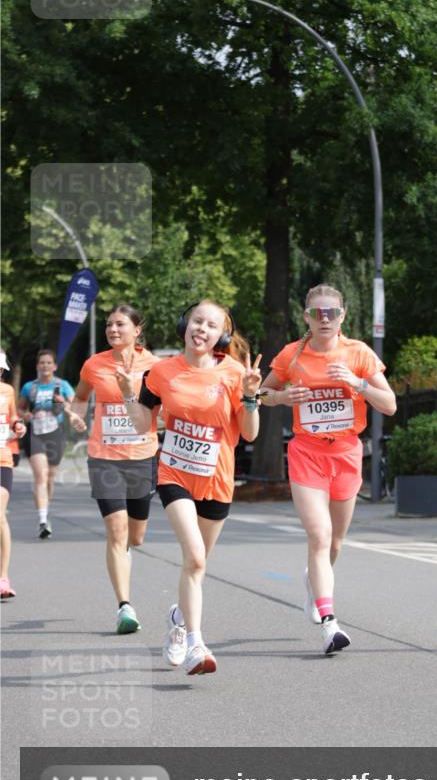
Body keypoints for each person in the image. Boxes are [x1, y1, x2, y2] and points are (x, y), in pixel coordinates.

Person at [117, 300, 261, 676]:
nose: (202, 328)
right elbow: (140, 425)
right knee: (194, 557)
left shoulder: (233, 373)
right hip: (174, 474)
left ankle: (178, 620)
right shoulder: (162, 372)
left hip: (217, 479)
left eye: (211, 325)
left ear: (221, 336)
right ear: (185, 325)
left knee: (198, 565)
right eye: (197, 320)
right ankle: (197, 643)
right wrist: (129, 392)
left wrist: (250, 397)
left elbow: (249, 433)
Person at [260, 284, 397, 655]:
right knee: (319, 535)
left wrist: (357, 383)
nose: (325, 319)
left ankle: (314, 585)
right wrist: (283, 397)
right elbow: (257, 395)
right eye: (317, 313)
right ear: (306, 317)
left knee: (335, 541)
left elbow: (389, 405)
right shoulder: (293, 355)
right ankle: (329, 622)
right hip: (307, 453)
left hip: (347, 454)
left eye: (331, 313)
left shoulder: (358, 354)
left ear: (342, 316)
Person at [68, 305, 160, 635]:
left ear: (137, 330)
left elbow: (164, 410)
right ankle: (125, 606)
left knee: (136, 536)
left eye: (120, 324)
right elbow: (80, 397)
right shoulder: (95, 364)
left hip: (142, 457)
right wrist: (75, 416)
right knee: (117, 531)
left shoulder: (155, 366)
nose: (112, 329)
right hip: (104, 457)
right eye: (108, 325)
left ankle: (124, 556)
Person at [17, 350, 76, 539]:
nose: (45, 366)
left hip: (55, 433)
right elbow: (19, 407)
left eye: (49, 363)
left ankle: (45, 509)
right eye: (42, 363)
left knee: (50, 477)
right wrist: (23, 415)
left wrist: (63, 402)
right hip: (35, 433)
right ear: (37, 366)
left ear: (54, 366)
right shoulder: (29, 387)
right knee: (40, 476)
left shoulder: (62, 385)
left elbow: (74, 408)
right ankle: (42, 520)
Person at [0, 349, 27, 598]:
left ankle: (3, 578)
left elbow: (12, 419)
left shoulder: (7, 391)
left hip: (2, 459)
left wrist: (18, 427)